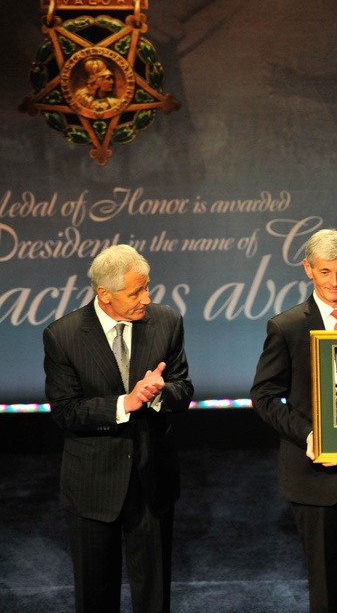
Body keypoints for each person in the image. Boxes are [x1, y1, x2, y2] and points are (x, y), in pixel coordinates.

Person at [43, 244, 194, 613]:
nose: (147, 298)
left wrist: (159, 393)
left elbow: (183, 390)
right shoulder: (63, 336)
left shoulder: (166, 321)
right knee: (96, 595)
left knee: (154, 596)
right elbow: (64, 411)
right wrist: (123, 403)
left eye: (147, 288)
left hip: (152, 479)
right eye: (135, 292)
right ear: (104, 295)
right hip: (92, 485)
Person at [250, 228, 337, 613]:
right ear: (308, 269)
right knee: (326, 588)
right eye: (326, 272)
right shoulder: (287, 326)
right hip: (312, 474)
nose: (335, 282)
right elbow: (263, 396)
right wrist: (311, 435)